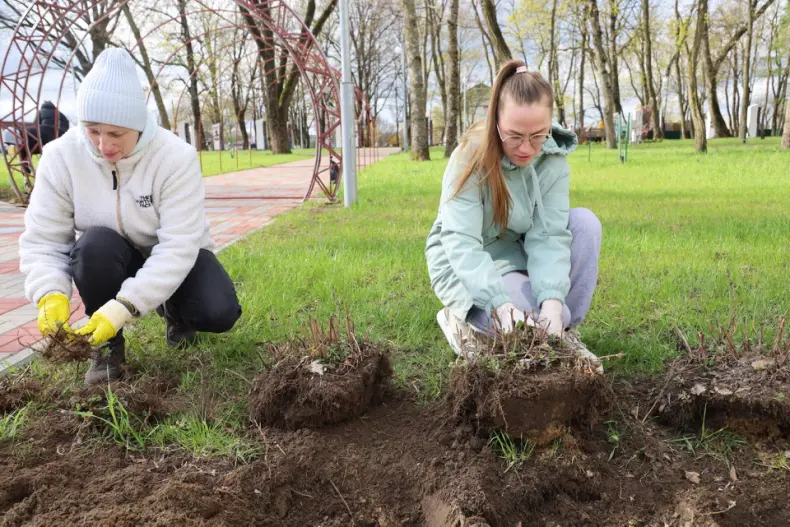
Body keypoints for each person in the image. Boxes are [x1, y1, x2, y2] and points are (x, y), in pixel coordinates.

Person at [19, 48, 242, 385]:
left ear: (138, 124)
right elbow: (44, 238)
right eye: (93, 131)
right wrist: (50, 292)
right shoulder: (60, 157)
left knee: (218, 311)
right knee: (93, 246)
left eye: (116, 134)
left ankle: (176, 313)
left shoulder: (175, 158)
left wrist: (126, 305)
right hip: (111, 256)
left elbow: (179, 245)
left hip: (171, 256)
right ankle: (107, 346)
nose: (103, 146)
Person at [425, 60, 603, 373]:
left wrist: (551, 302)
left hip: (517, 252)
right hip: (466, 262)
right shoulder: (470, 157)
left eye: (537, 135)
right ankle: (461, 323)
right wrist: (500, 305)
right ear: (496, 121)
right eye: (514, 136)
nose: (526, 148)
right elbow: (461, 242)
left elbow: (548, 235)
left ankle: (560, 334)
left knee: (585, 225)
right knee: (520, 322)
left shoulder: (552, 161)